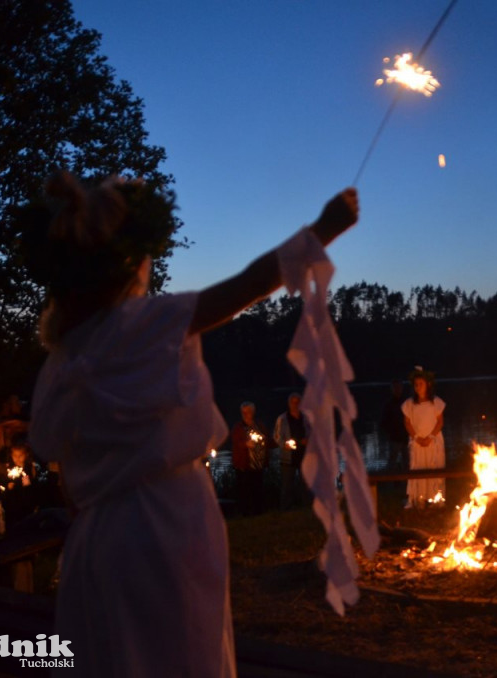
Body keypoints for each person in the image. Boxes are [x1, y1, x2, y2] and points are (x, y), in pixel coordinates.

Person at [24, 170, 358, 676]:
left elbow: (63, 467)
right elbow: (249, 283)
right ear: (129, 263)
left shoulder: (62, 358)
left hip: (98, 541)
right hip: (167, 530)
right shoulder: (148, 323)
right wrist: (323, 230)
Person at [401, 366, 446, 508]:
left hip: (433, 441)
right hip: (418, 442)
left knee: (434, 468)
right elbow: (407, 423)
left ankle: (435, 500)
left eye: (421, 384)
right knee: (418, 469)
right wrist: (416, 438)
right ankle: (418, 500)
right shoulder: (410, 404)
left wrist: (431, 437)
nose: (418, 387)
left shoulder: (435, 402)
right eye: (416, 385)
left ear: (428, 385)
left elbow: (440, 421)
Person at [231, 401, 273, 516]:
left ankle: (258, 512)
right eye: (243, 412)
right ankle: (244, 513)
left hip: (258, 464)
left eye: (248, 412)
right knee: (244, 490)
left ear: (253, 412)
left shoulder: (259, 425)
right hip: (244, 464)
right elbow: (236, 442)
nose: (246, 414)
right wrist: (246, 444)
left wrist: (269, 442)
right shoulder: (238, 428)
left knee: (257, 488)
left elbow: (268, 439)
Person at [274, 393, 309, 510]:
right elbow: (277, 436)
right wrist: (285, 445)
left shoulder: (306, 418)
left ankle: (306, 506)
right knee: (287, 485)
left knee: (306, 484)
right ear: (289, 404)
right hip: (288, 457)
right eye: (293, 402)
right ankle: (285, 509)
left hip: (304, 455)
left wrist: (308, 440)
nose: (296, 405)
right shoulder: (282, 419)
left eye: (298, 402)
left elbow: (312, 433)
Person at [380, 380, 409, 468]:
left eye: (399, 387)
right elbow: (384, 422)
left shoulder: (406, 402)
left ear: (402, 388)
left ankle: (408, 480)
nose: (397, 390)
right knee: (392, 461)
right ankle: (391, 480)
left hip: (406, 437)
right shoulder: (388, 404)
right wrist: (390, 432)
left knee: (407, 461)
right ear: (392, 389)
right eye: (395, 388)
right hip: (394, 438)